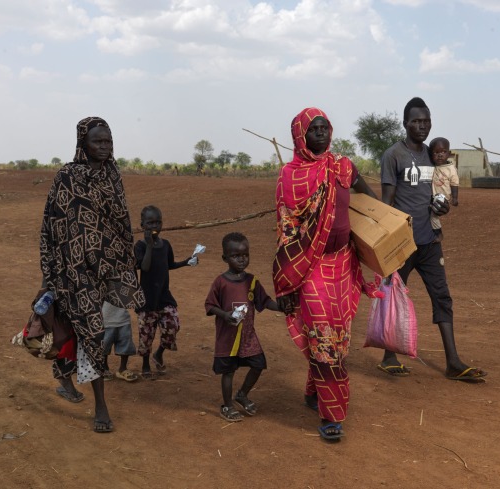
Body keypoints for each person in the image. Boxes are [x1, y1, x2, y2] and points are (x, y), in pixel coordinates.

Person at [272, 107, 380, 442]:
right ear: (300, 136)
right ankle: (332, 414)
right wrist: (289, 277)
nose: (320, 133)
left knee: (337, 338)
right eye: (313, 129)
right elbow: (287, 229)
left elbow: (369, 200)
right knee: (323, 336)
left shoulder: (342, 166)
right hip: (311, 265)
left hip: (344, 264)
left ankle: (312, 389)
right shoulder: (289, 176)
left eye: (325, 128)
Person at [40, 116, 145, 433]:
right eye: (98, 141)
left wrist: (126, 261)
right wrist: (48, 276)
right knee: (93, 331)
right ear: (83, 143)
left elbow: (121, 222)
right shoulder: (67, 177)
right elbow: (51, 226)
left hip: (107, 267)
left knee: (78, 328)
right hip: (73, 270)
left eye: (109, 141)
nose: (104, 147)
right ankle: (101, 405)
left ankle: (63, 376)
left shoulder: (113, 176)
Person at [379, 97, 486, 381]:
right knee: (394, 296)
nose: (422, 126)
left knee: (442, 296)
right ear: (405, 124)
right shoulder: (393, 155)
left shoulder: (433, 155)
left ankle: (453, 361)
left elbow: (440, 196)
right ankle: (389, 356)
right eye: (416, 121)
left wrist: (444, 207)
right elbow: (387, 201)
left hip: (429, 241)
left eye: (426, 121)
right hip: (401, 243)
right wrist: (386, 242)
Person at [205, 232, 279, 422]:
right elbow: (210, 305)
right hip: (227, 337)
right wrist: (224, 315)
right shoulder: (220, 282)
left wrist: (282, 307)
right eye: (236, 256)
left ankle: (242, 394)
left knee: (259, 364)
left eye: (245, 255)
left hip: (247, 336)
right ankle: (227, 405)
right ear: (225, 258)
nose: (242, 259)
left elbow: (265, 301)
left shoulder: (252, 281)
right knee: (228, 371)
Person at [134, 205, 193, 379]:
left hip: (164, 296)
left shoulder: (166, 244)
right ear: (142, 225)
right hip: (146, 299)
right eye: (150, 223)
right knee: (146, 334)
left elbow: (170, 265)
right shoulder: (140, 246)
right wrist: (150, 247)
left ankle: (158, 353)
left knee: (172, 326)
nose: (154, 226)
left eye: (157, 222)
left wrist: (186, 262)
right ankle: (145, 364)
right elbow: (143, 267)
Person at [429, 137, 459, 242]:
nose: (440, 154)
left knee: (433, 214)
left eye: (443, 152)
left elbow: (454, 183)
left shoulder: (451, 169)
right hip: (432, 195)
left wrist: (455, 198)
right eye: (436, 152)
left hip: (441, 197)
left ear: (449, 153)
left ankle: (438, 233)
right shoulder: (432, 165)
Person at [102, 301, 138, 382]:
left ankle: (123, 369)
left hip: (123, 318)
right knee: (104, 345)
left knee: (125, 343)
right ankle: (104, 368)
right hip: (104, 318)